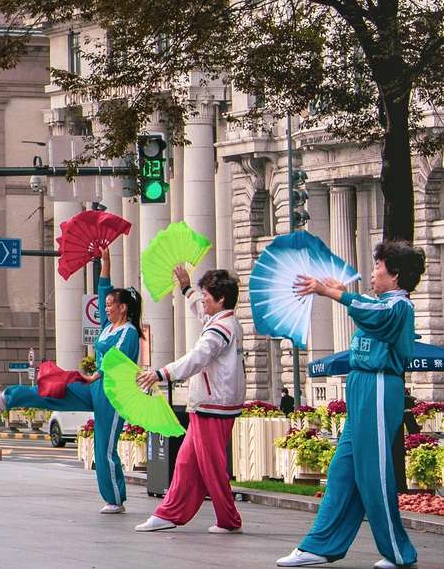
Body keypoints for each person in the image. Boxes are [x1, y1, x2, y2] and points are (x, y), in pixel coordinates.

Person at [278, 241, 427, 569]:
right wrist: (342, 293)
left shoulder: (399, 305)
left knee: (373, 474)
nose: (373, 273)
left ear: (396, 275)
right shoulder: (381, 302)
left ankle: (398, 552)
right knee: (342, 470)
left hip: (378, 385)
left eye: (379, 268)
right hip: (363, 385)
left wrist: (332, 293)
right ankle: (319, 544)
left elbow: (374, 313)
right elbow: (368, 309)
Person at [0, 251, 141, 512]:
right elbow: (102, 291)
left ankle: (115, 499)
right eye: (107, 305)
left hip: (114, 393)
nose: (107, 308)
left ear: (124, 307)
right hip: (94, 386)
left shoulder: (129, 332)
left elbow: (117, 360)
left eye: (112, 304)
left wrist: (95, 375)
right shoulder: (107, 327)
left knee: (104, 446)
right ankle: (7, 398)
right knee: (52, 389)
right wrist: (105, 262)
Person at [133, 265, 244, 536]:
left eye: (207, 295)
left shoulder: (219, 329)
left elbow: (196, 358)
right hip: (211, 404)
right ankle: (168, 513)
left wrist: (161, 373)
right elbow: (199, 311)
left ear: (220, 300)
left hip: (213, 406)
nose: (203, 299)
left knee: (212, 467)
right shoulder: (222, 322)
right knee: (186, 463)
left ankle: (229, 519)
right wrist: (186, 288)